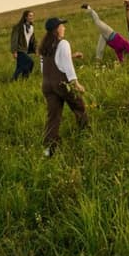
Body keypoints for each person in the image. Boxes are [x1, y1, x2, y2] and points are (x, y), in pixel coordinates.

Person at [39, 17, 88, 157]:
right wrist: (75, 83)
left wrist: (72, 55)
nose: (64, 28)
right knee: (79, 106)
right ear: (56, 29)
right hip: (62, 84)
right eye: (62, 26)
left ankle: (49, 150)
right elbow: (66, 65)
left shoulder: (44, 46)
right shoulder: (63, 43)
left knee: (53, 117)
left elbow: (46, 66)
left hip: (47, 84)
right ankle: (85, 134)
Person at [10, 10, 37, 80]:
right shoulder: (18, 27)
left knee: (20, 66)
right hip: (19, 49)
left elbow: (32, 40)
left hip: (25, 50)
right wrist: (14, 51)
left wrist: (36, 49)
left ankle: (22, 80)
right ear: (25, 17)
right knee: (30, 62)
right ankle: (15, 78)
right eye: (30, 16)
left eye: (32, 16)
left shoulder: (31, 27)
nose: (31, 17)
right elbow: (14, 39)